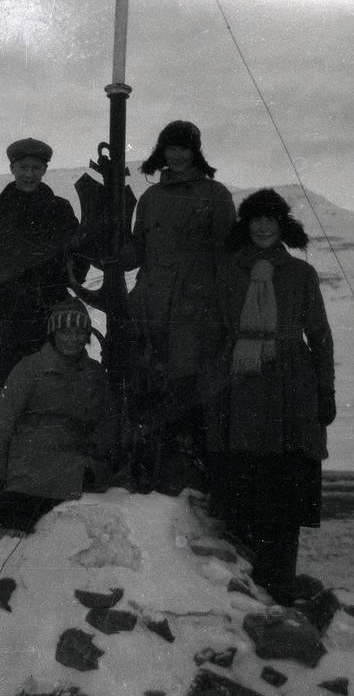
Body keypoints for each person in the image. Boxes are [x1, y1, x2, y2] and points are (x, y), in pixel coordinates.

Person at [203, 189, 336, 606]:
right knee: (244, 482)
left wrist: (325, 389)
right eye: (255, 220)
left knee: (286, 484)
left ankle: (280, 585)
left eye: (270, 220)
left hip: (290, 387)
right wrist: (211, 390)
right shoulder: (228, 273)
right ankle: (248, 587)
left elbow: (319, 335)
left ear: (282, 227)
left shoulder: (300, 274)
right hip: (240, 385)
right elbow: (215, 334)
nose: (262, 227)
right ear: (246, 226)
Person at [0, 297, 120, 549]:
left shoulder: (94, 374)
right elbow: (1, 423)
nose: (72, 338)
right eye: (65, 331)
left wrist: (94, 449)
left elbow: (108, 421)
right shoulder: (30, 368)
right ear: (53, 334)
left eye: (79, 332)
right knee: (30, 495)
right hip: (30, 457)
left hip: (73, 458)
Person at [120, 120, 236, 491]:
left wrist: (223, 313)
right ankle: (151, 480)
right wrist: (105, 249)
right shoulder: (150, 199)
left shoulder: (215, 195)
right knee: (148, 385)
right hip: (150, 306)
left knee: (190, 392)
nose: (178, 155)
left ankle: (190, 481)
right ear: (161, 151)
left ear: (196, 152)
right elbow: (136, 252)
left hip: (195, 310)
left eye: (185, 148)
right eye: (171, 147)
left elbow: (227, 258)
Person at [0, 138, 86, 392]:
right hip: (7, 310)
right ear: (12, 168)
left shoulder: (60, 208)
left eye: (35, 168)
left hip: (51, 309)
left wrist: (74, 278)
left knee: (52, 384)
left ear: (45, 171)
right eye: (23, 167)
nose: (29, 174)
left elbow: (78, 253)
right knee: (9, 387)